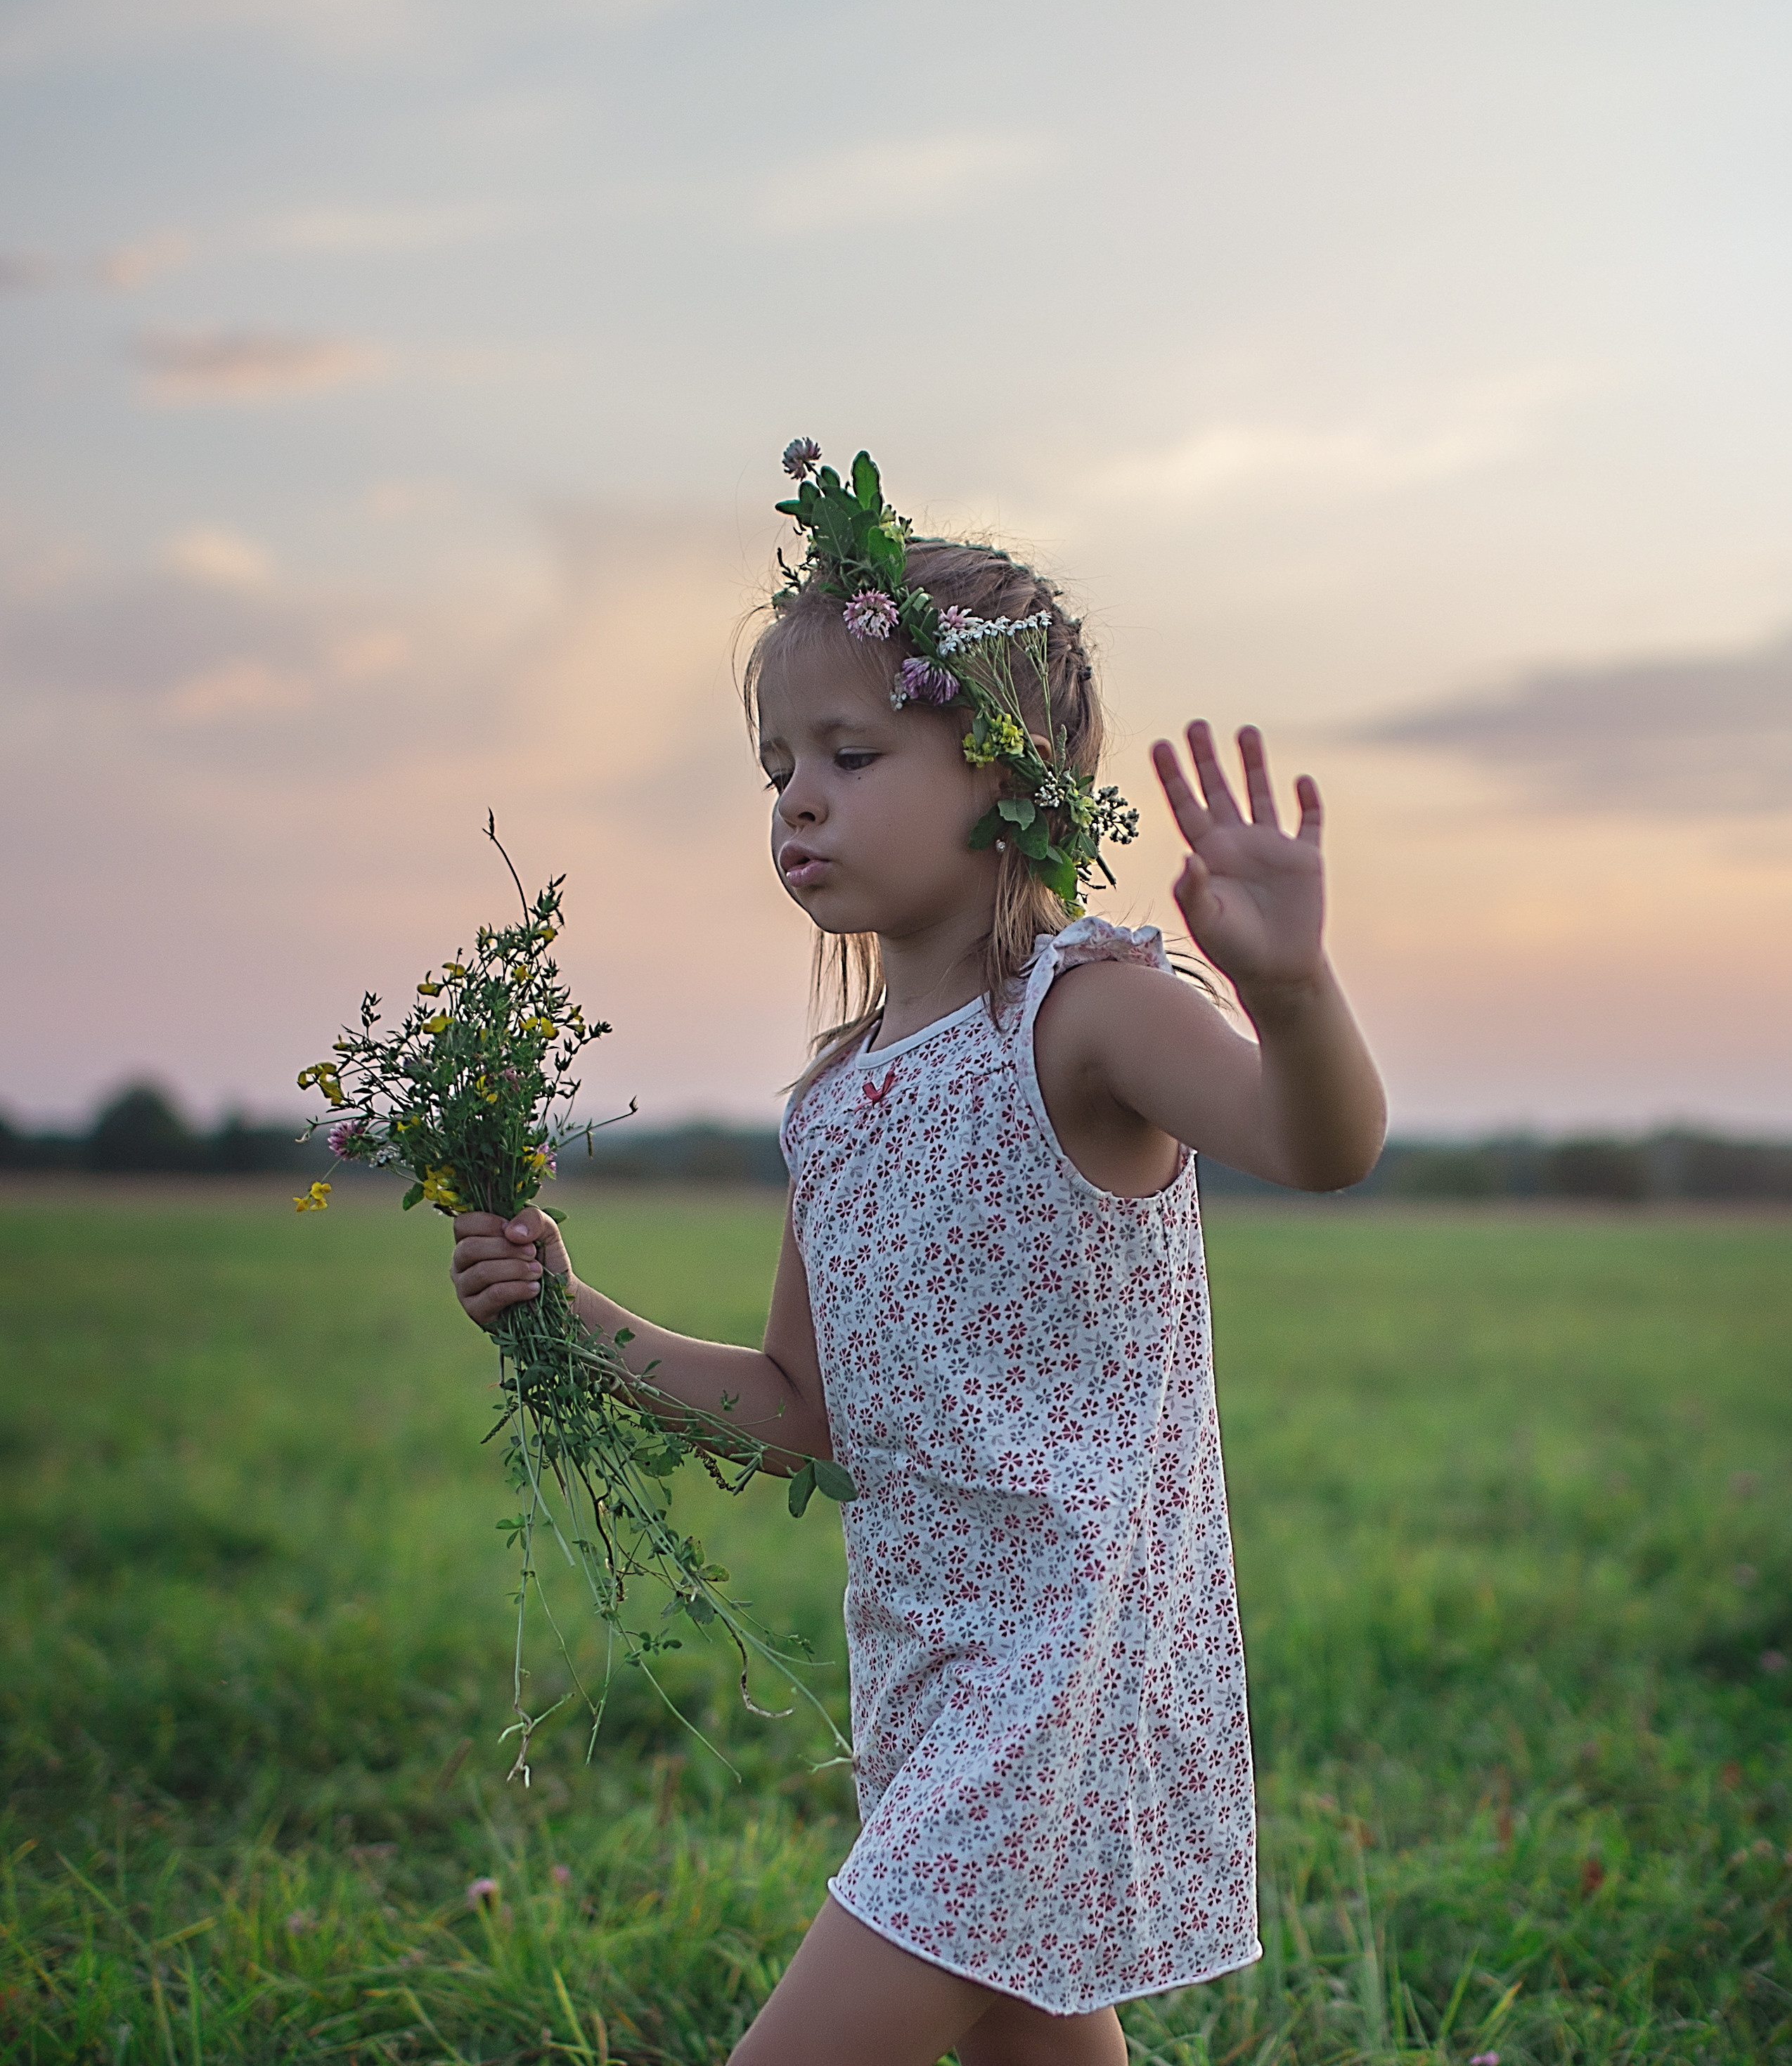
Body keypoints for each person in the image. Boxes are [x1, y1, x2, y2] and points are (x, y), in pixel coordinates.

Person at [451, 442, 1386, 2066]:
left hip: (1071, 1667)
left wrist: (1293, 995)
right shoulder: (838, 1103)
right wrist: (566, 1308)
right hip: (933, 1671)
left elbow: (1322, 1146)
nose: (798, 797)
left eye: (851, 750)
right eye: (774, 767)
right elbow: (798, 1407)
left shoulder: (1084, 1013)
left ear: (1004, 770)